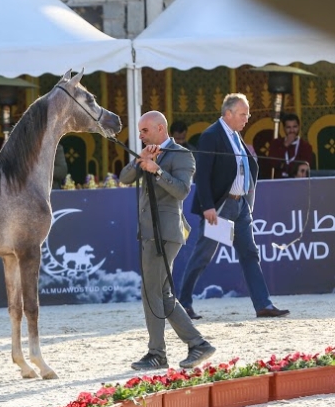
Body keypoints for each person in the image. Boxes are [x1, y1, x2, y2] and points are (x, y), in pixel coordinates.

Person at [178, 93, 291, 320]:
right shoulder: (212, 136)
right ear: (228, 113)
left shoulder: (236, 135)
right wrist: (208, 206)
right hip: (221, 208)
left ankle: (263, 304)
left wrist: (247, 200)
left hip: (240, 208)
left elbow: (244, 168)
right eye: (243, 113)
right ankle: (183, 303)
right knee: (203, 255)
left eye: (247, 113)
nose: (247, 118)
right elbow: (204, 174)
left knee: (250, 254)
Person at [119, 111, 216, 370]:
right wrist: (142, 160)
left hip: (166, 232)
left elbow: (182, 191)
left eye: (144, 131)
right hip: (150, 232)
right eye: (139, 131)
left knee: (151, 292)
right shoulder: (147, 152)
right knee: (162, 293)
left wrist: (157, 170)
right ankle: (198, 344)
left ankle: (157, 354)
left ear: (160, 128)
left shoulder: (181, 154)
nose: (139, 135)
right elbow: (124, 178)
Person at [266, 113, 314, 179]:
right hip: (279, 181)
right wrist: (286, 145)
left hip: (298, 182)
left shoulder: (305, 146)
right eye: (288, 127)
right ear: (284, 128)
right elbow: (272, 163)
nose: (292, 131)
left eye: (295, 127)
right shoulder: (276, 143)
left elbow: (305, 166)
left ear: (299, 127)